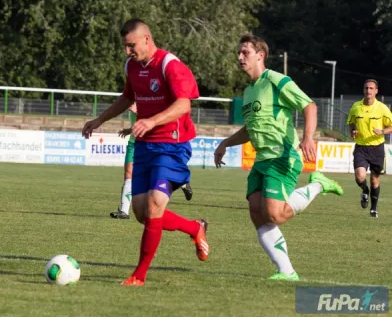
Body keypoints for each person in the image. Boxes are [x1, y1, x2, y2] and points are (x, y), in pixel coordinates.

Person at [82, 18, 209, 286]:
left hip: (172, 145)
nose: (127, 51)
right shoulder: (131, 66)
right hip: (144, 147)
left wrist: (151, 121)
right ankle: (195, 228)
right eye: (125, 47)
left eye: (131, 45)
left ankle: (139, 275)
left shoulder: (169, 65)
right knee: (142, 213)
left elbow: (184, 105)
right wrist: (99, 120)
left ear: (147, 39)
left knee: (154, 205)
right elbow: (127, 98)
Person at [214, 34, 344, 281]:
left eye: (245, 53)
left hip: (282, 156)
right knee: (256, 213)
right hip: (262, 160)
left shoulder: (276, 80)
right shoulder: (249, 90)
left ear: (260, 55)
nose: (240, 57)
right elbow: (250, 129)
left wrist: (307, 138)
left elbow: (309, 106)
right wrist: (225, 143)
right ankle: (286, 272)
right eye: (239, 53)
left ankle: (318, 184)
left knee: (274, 214)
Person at [110, 104, 193, 220]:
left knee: (155, 180)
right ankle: (124, 211)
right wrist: (129, 130)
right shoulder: (134, 95)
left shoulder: (152, 98)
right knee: (128, 173)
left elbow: (157, 120)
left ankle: (181, 182)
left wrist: (139, 110)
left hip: (151, 144)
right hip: (134, 143)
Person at [347, 79, 392, 218]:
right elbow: (351, 123)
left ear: (376, 91)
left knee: (374, 179)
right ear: (363, 90)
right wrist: (353, 131)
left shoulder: (382, 108)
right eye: (366, 88)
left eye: (371, 88)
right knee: (360, 176)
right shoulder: (356, 107)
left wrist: (382, 131)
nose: (368, 91)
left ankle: (373, 209)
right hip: (361, 147)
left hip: (377, 148)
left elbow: (391, 126)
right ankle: (364, 190)